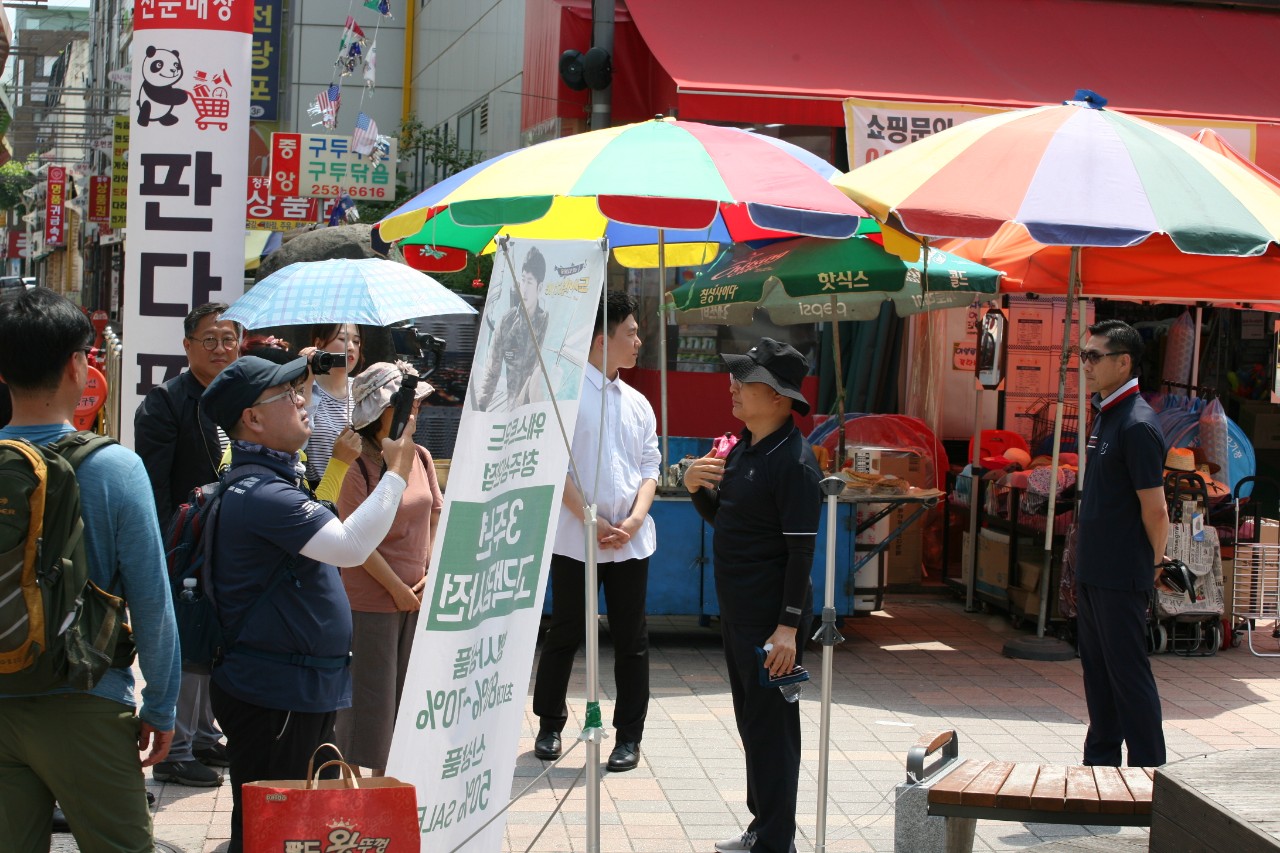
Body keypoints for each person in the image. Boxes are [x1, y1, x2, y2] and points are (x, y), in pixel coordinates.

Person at [201, 354, 418, 853]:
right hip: (276, 691)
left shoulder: (276, 480)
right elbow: (349, 546)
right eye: (289, 395)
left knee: (297, 829)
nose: (304, 401)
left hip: (298, 686)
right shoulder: (262, 493)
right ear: (252, 419)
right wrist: (397, 473)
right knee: (272, 831)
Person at [0, 287, 181, 852]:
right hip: (85, 696)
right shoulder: (115, 468)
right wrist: (161, 706)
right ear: (78, 367)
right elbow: (151, 600)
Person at [682, 337, 820, 853]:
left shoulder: (794, 463)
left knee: (773, 730)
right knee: (752, 725)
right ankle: (762, 829)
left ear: (779, 397)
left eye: (747, 380)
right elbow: (728, 521)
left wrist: (787, 628)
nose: (734, 387)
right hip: (739, 612)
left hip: (771, 620)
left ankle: (776, 841)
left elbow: (802, 555)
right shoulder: (745, 447)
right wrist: (696, 489)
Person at [532, 291, 659, 773]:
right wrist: (588, 516)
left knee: (632, 640)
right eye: (631, 332)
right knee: (565, 631)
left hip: (629, 541)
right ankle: (549, 724)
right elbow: (553, 464)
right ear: (603, 339)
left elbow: (649, 466)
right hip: (574, 537)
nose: (638, 341)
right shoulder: (565, 395)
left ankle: (629, 736)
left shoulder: (638, 402)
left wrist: (635, 519)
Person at [134, 301, 240, 787]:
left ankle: (201, 735)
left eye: (229, 339)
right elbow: (154, 484)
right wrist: (163, 544)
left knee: (212, 639)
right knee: (186, 641)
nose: (221, 348)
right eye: (209, 340)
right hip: (184, 541)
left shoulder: (238, 395)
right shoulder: (166, 402)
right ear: (187, 346)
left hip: (226, 538)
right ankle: (174, 749)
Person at [334, 362, 441, 775]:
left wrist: (430, 570)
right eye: (405, 403)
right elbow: (354, 540)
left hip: (417, 596)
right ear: (379, 412)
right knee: (369, 703)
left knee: (406, 700)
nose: (415, 410)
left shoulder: (421, 456)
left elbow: (435, 513)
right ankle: (353, 792)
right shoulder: (356, 464)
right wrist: (396, 587)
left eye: (416, 403)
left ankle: (389, 787)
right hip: (371, 600)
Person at [1077, 319, 1169, 767]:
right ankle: (1100, 764)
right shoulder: (1106, 414)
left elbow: (1157, 510)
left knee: (1128, 674)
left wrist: (1155, 565)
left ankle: (1150, 770)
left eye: (1094, 356)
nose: (1086, 365)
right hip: (1094, 568)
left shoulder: (1137, 425)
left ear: (1124, 362)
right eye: (1083, 356)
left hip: (1122, 572)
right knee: (1098, 675)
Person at [471, 246, 549, 412]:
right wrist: (479, 409)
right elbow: (492, 372)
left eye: (530, 282)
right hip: (513, 412)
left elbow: (549, 372)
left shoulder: (546, 323)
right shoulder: (506, 323)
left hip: (541, 410)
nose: (524, 288)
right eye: (523, 280)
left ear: (540, 287)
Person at [303, 323, 363, 488]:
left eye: (356, 341)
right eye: (343, 339)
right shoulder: (306, 390)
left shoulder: (363, 390)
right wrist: (306, 382)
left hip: (359, 492)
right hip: (318, 492)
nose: (351, 347)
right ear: (318, 344)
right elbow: (297, 445)